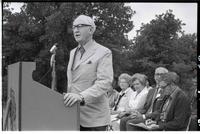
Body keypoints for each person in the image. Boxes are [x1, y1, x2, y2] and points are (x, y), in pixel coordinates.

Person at [63, 15, 113, 131]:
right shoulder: (72, 52)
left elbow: (104, 82)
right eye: (74, 27)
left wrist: (81, 96)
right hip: (72, 115)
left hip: (94, 119)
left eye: (80, 26)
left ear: (91, 30)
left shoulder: (104, 52)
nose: (75, 30)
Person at [126, 72, 191, 131]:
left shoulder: (182, 98)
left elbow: (178, 123)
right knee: (131, 124)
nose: (160, 90)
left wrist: (159, 126)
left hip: (173, 130)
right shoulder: (168, 95)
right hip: (163, 126)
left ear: (172, 85)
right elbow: (161, 112)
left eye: (163, 87)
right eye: (160, 87)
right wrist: (155, 122)